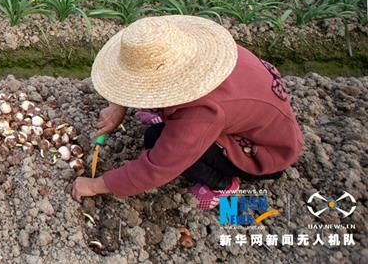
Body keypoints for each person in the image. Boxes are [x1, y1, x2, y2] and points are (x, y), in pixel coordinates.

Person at [71, 15, 303, 210]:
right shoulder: (211, 54)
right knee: (168, 133)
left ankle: (222, 184)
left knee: (156, 140)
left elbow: (155, 169)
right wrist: (117, 107)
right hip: (246, 118)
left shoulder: (202, 113)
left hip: (265, 151)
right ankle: (169, 117)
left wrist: (93, 185)